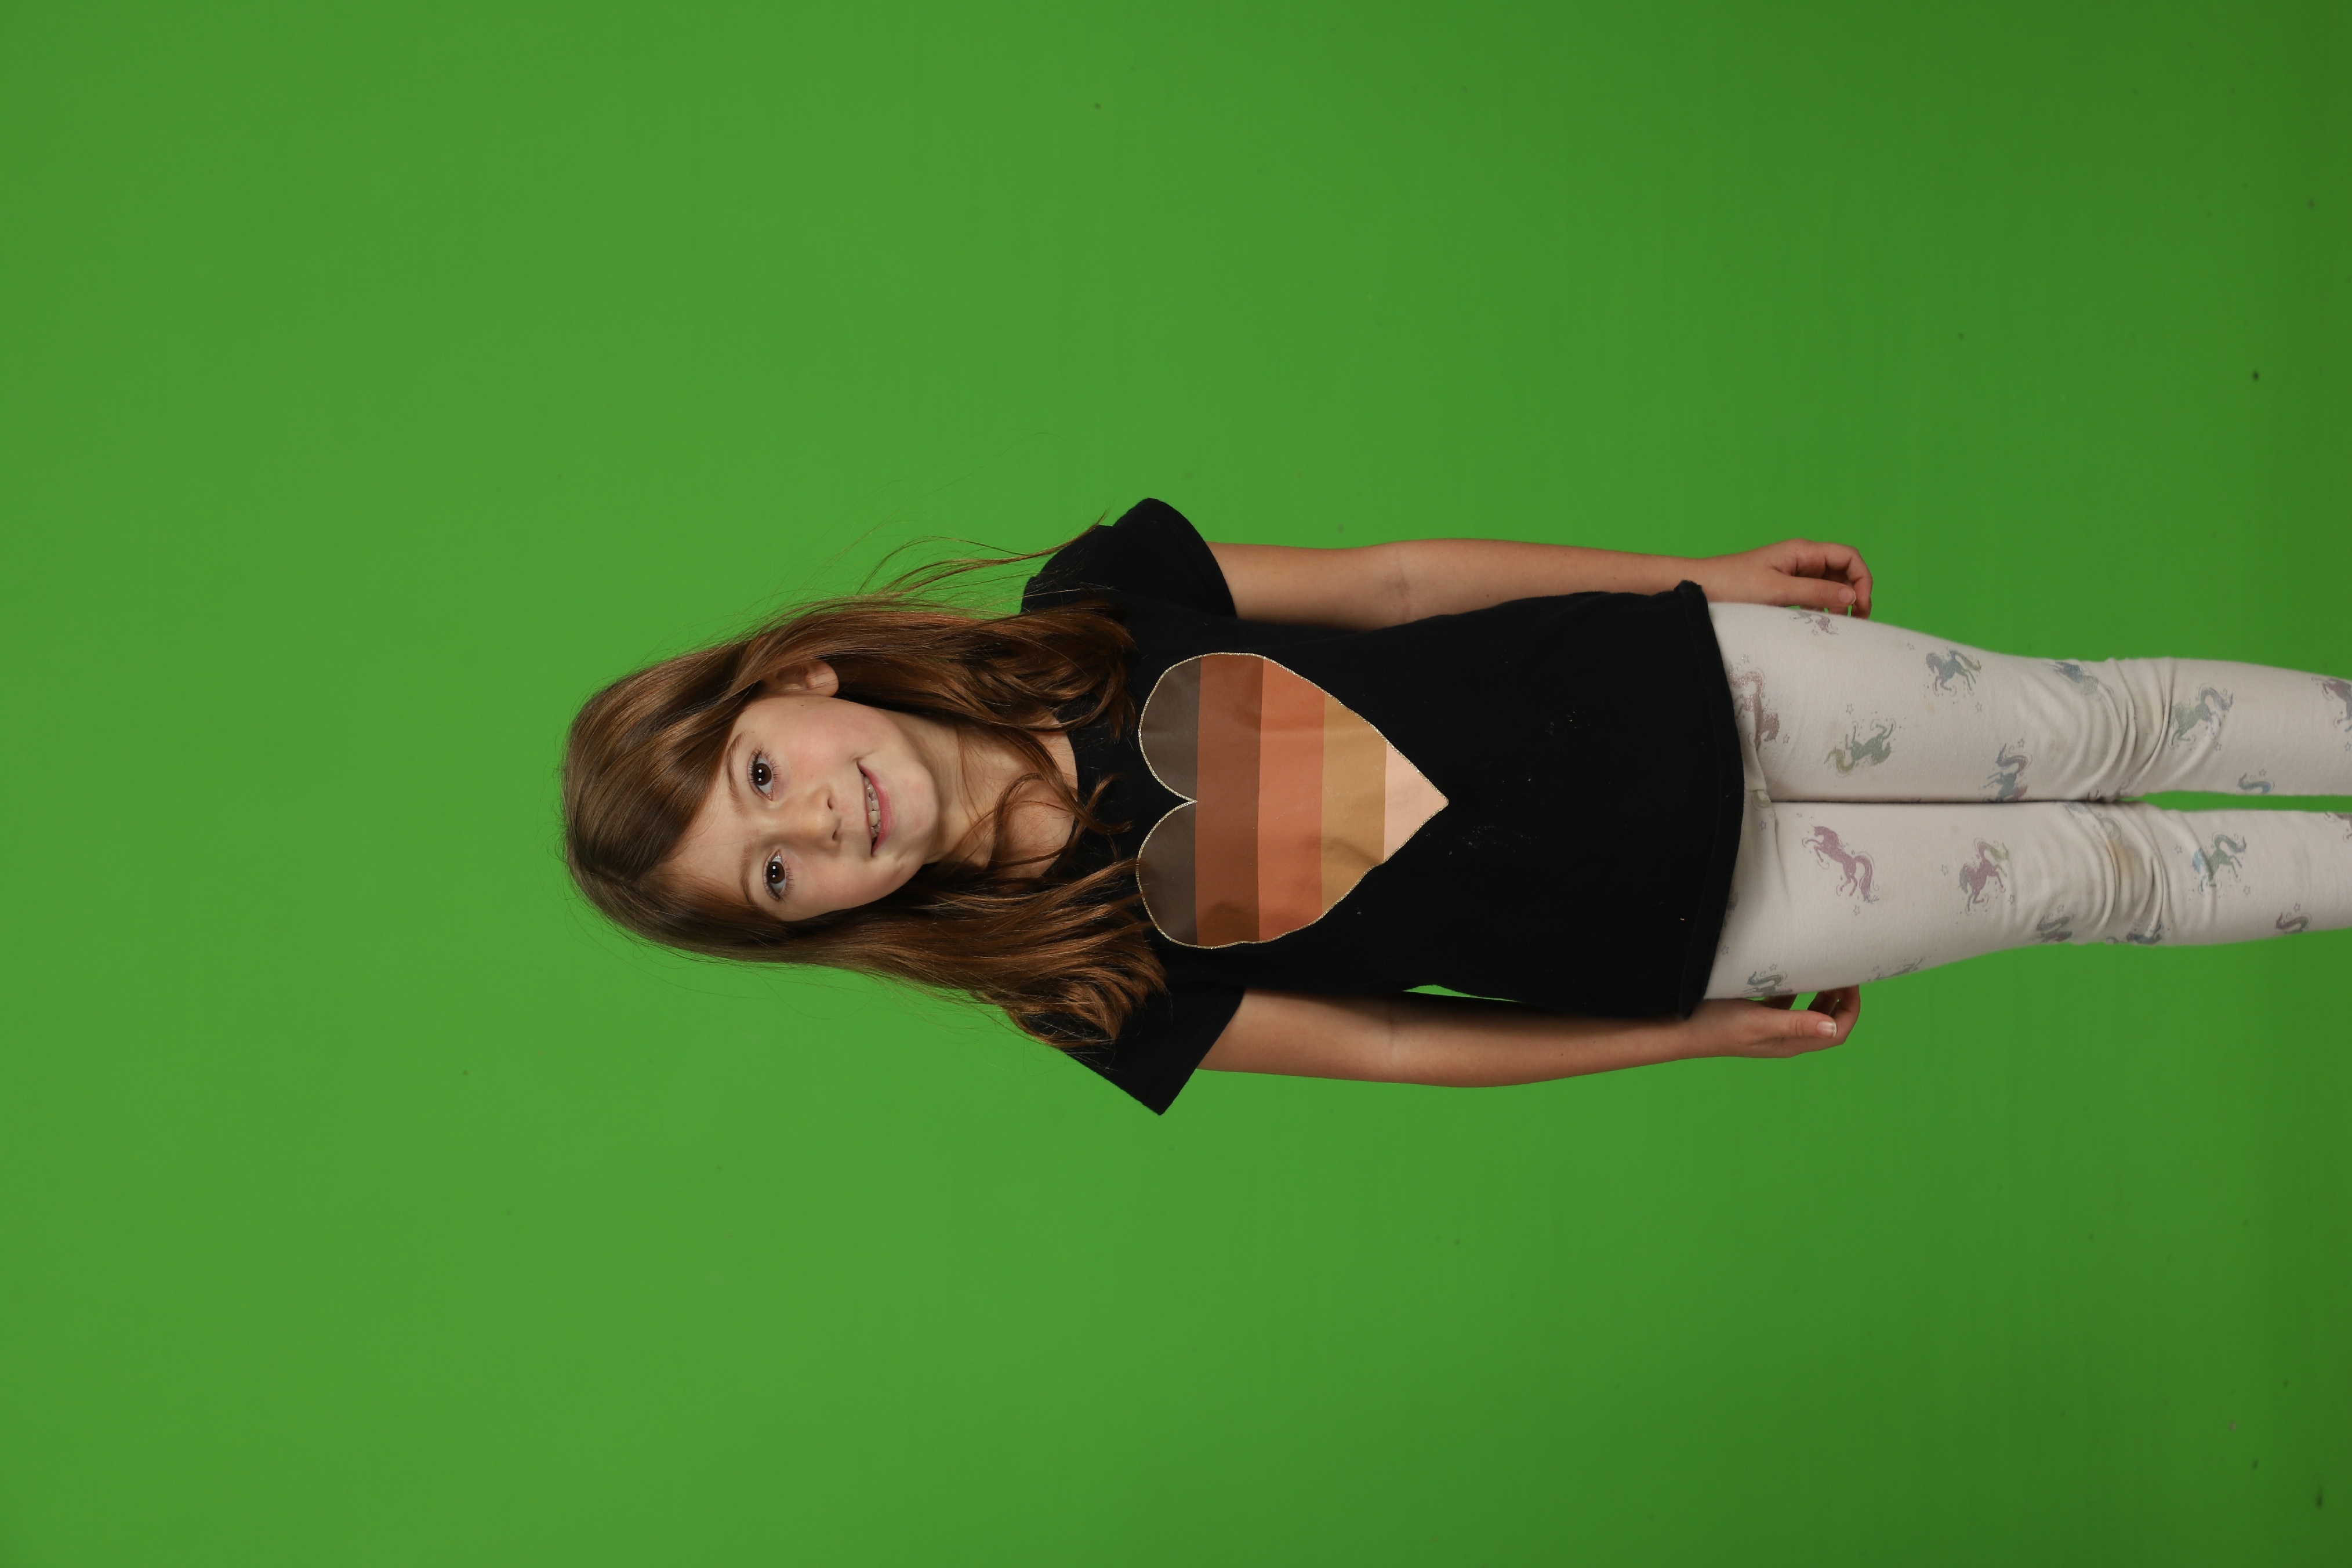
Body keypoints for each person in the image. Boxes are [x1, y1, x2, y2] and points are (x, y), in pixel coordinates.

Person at [562, 499, 2352, 1113]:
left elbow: (1401, 583)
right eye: (773, 875)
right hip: (1702, 925)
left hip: (1700, 679)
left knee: (2096, 720)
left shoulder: (1094, 601)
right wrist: (1685, 1037)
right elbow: (1395, 1046)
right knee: (2095, 876)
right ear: (817, 926)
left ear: (795, 683)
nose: (817, 825)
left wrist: (1694, 576)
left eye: (760, 778)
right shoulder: (1078, 988)